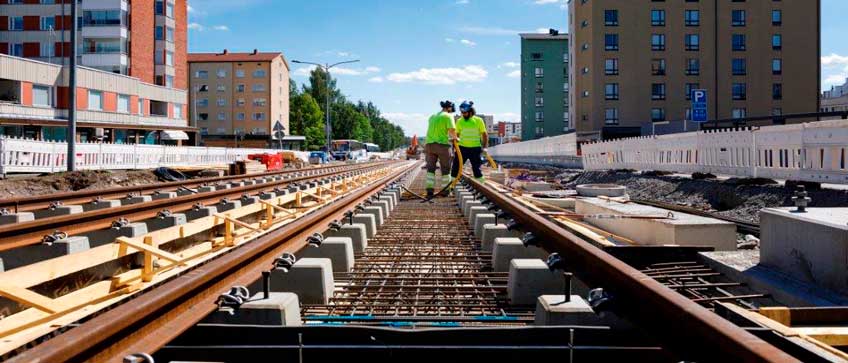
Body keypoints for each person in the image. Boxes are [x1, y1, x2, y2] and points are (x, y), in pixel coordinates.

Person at [424, 100, 457, 198]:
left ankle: (429, 191)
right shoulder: (448, 116)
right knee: (446, 169)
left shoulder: (432, 116)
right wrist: (456, 138)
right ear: (449, 108)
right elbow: (451, 130)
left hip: (429, 145)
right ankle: (445, 191)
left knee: (430, 169)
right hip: (442, 145)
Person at [451, 101, 488, 183]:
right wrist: (454, 149)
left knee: (476, 169)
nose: (463, 114)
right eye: (462, 112)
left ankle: (481, 186)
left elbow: (484, 134)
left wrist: (485, 147)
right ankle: (451, 186)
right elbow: (456, 136)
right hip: (462, 148)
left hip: (475, 148)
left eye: (465, 112)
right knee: (456, 168)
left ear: (471, 111)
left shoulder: (478, 120)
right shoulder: (459, 121)